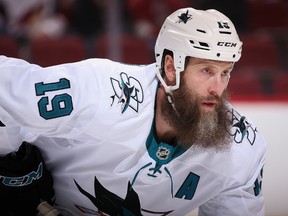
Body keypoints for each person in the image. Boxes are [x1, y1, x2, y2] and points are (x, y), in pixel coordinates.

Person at [0, 7, 266, 216]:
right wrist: (11, 160)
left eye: (225, 73)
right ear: (171, 67)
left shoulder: (241, 148)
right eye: (207, 70)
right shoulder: (100, 89)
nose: (217, 88)